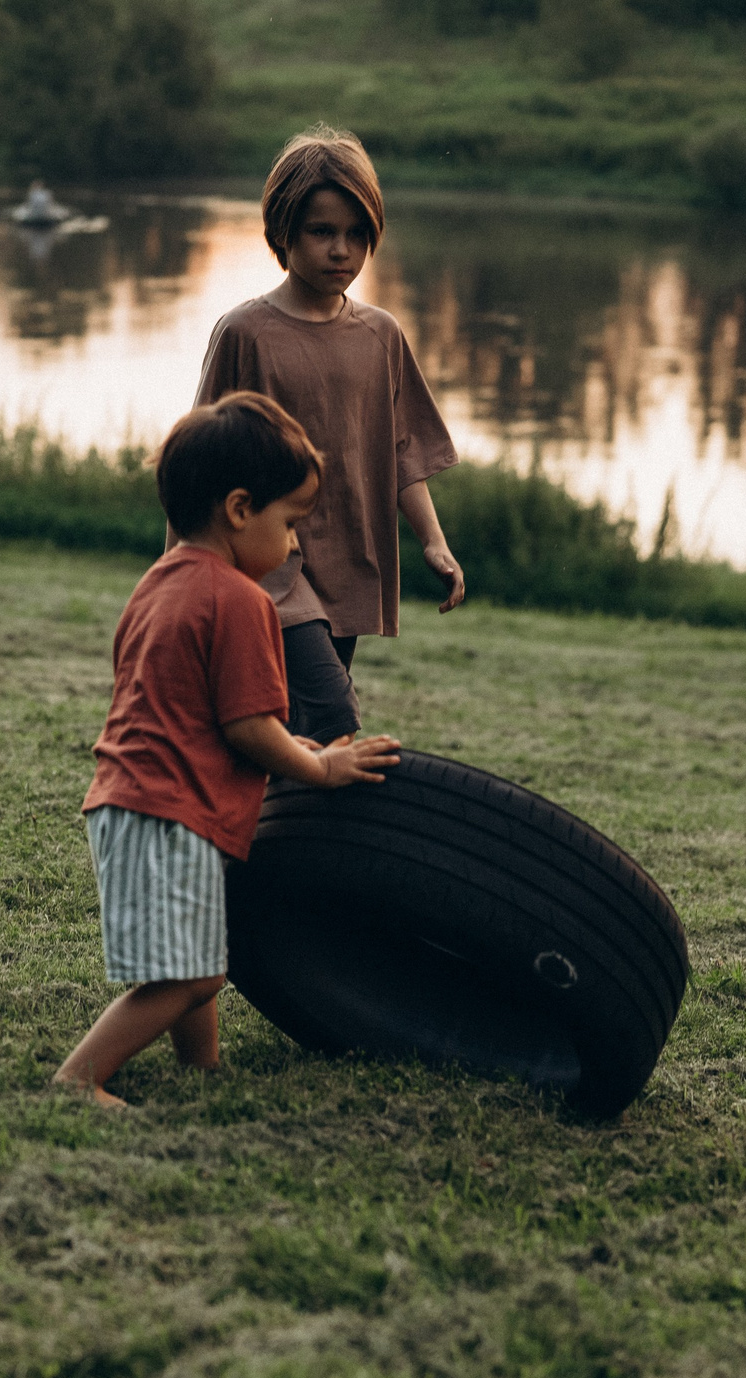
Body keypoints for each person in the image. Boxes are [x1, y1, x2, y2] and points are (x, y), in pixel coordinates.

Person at [53, 393, 402, 1107]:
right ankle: (76, 1079)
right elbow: (247, 725)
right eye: (291, 522)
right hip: (168, 810)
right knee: (192, 975)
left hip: (131, 800)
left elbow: (199, 711)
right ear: (239, 509)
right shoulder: (243, 601)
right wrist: (318, 763)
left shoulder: (157, 585)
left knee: (198, 952)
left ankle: (200, 1067)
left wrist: (283, 741)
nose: (298, 544)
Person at [191, 124, 466, 745]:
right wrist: (179, 570)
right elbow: (197, 462)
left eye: (356, 235)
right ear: (281, 233)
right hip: (269, 566)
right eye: (322, 232)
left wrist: (433, 541)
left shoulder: (382, 335)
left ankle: (270, 835)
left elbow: (402, 452)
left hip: (349, 562)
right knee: (337, 721)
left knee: (291, 730)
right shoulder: (246, 334)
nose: (341, 250)